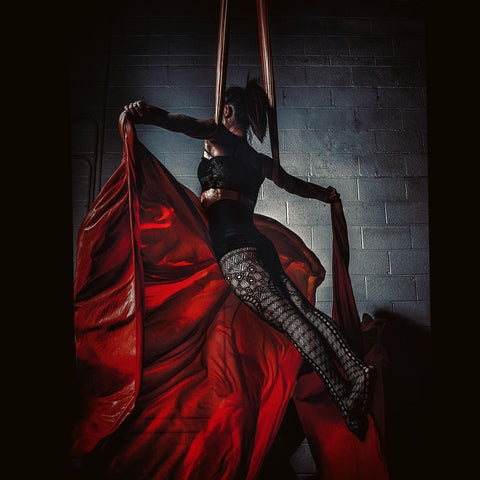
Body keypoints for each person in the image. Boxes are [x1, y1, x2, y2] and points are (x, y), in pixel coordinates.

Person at [123, 78, 374, 440]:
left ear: (226, 111)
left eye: (218, 111)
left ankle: (345, 393)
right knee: (302, 313)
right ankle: (355, 369)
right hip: (259, 246)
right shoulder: (258, 160)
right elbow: (292, 185)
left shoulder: (216, 136)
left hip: (237, 254)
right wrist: (327, 195)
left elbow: (183, 123)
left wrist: (146, 114)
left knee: (291, 321)